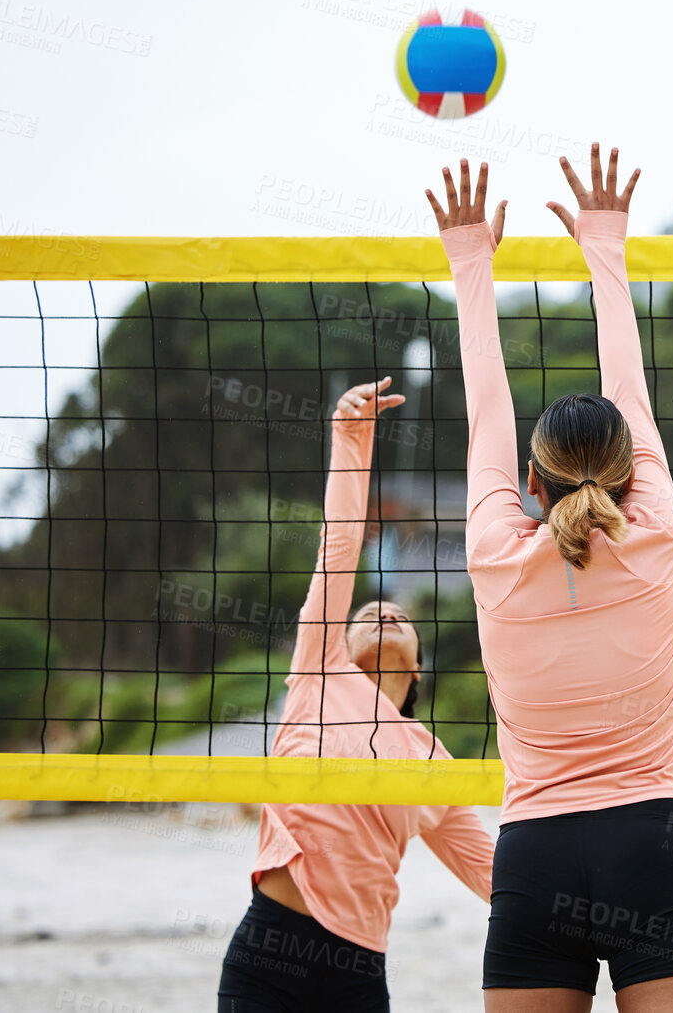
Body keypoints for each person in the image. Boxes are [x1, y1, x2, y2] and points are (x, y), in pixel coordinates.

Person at [428, 149, 673, 1012]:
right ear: (633, 470)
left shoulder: (493, 549)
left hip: (534, 859)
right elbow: (626, 384)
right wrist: (605, 244)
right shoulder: (656, 529)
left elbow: (486, 403)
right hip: (652, 846)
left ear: (530, 476)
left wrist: (468, 261)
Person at [217, 378, 495, 1012]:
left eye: (398, 615)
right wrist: (351, 437)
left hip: (359, 969)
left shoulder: (432, 762)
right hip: (271, 949)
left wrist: (590, 921)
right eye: (367, 612)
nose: (383, 613)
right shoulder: (320, 670)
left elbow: (496, 879)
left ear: (419, 670)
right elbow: (339, 546)